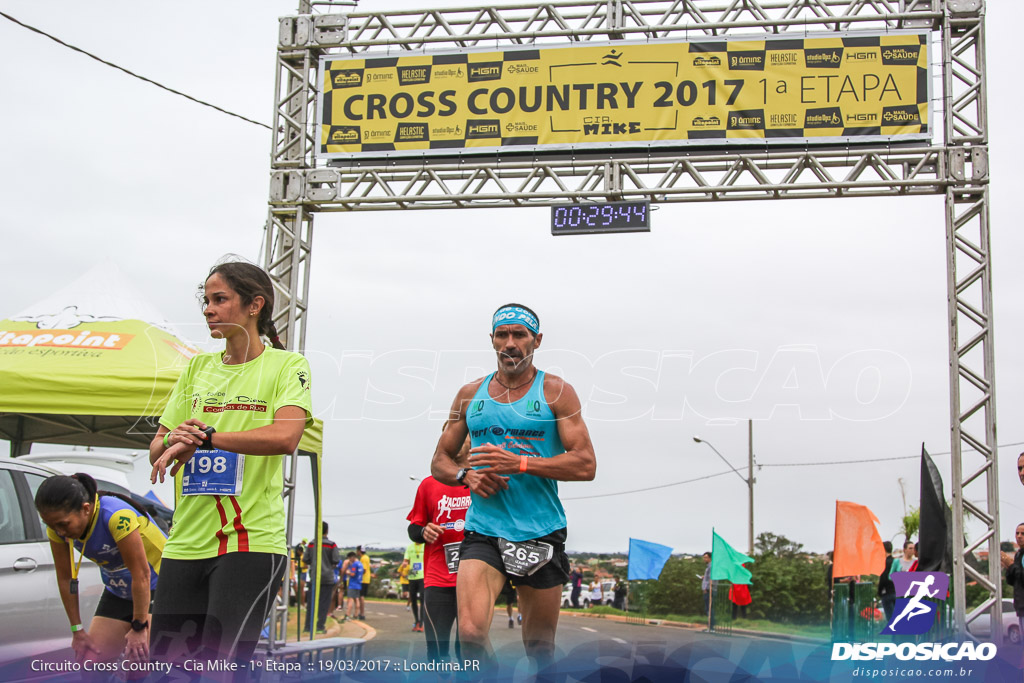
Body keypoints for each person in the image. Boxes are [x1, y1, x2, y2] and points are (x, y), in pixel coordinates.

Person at [148, 259, 313, 668]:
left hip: (249, 542)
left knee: (221, 669)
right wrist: (175, 438)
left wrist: (206, 438)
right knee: (168, 670)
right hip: (184, 542)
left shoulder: (287, 365)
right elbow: (157, 447)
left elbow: (285, 437)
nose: (208, 309)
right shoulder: (197, 368)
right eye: (206, 300)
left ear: (255, 305)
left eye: (219, 299)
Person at [431, 303, 597, 672]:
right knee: (471, 635)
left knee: (539, 649)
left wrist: (519, 463)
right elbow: (441, 459)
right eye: (502, 335)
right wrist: (465, 476)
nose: (510, 344)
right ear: (492, 340)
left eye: (519, 335)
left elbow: (586, 464)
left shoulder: (556, 392)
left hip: (540, 529)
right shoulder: (469, 394)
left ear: (536, 340)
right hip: (484, 528)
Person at [34, 473, 166, 668]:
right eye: (51, 525)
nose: (59, 532)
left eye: (63, 524)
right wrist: (77, 630)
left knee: (137, 663)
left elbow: (141, 575)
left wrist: (139, 626)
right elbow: (65, 578)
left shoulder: (116, 516)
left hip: (159, 586)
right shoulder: (57, 528)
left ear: (86, 509)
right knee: (90, 662)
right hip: (119, 590)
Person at [407, 423, 471, 662]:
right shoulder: (429, 484)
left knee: (467, 646)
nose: (452, 440)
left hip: (473, 576)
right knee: (436, 647)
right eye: (447, 435)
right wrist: (424, 531)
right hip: (437, 577)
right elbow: (413, 528)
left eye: (460, 436)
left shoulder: (482, 481)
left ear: (471, 441)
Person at [303, 522, 341, 634]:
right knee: (324, 603)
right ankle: (320, 626)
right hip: (327, 577)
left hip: (314, 577)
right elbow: (336, 560)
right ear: (327, 531)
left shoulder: (311, 544)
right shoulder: (331, 545)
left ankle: (307, 626)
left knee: (311, 602)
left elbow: (305, 559)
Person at [1001, 523, 1024, 643]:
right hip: (1021, 606)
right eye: (1017, 533)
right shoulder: (1019, 554)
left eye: (1023, 534)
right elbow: (1014, 581)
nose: (1019, 536)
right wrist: (1008, 567)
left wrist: (1012, 566)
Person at [404, 541, 425, 631]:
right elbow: (406, 560)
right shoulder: (410, 547)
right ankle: (416, 620)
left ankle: (422, 623)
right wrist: (405, 563)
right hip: (412, 576)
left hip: (423, 576)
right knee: (413, 599)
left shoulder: (425, 545)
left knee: (422, 599)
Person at [878, 540, 896, 622]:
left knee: (890, 619)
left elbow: (883, 579)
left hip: (887, 593)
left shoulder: (884, 563)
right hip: (897, 592)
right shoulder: (896, 562)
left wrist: (879, 592)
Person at [344, 552, 364, 621]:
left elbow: (352, 574)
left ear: (352, 557)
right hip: (358, 584)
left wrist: (347, 572)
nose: (349, 560)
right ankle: (356, 614)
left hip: (353, 584)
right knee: (356, 599)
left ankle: (347, 615)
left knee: (350, 599)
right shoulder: (360, 564)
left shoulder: (355, 564)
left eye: (350, 558)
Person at [357, 545, 373, 620]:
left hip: (363, 579)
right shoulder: (366, 557)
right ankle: (361, 612)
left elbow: (363, 570)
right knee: (361, 596)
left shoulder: (363, 558)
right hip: (366, 579)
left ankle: (362, 613)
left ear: (359, 551)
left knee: (361, 596)